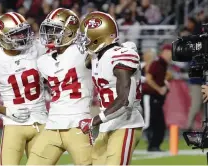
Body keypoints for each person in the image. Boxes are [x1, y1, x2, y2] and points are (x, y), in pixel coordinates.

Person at [26, 8, 93, 165]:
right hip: (53, 124)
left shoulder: (83, 52)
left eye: (55, 30)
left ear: (70, 31)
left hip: (78, 124)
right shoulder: (44, 61)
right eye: (49, 30)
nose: (50, 34)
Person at [0, 12, 47, 165]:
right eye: (17, 34)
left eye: (24, 31)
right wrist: (6, 111)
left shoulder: (36, 48)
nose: (24, 37)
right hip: (14, 124)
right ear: (3, 37)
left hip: (41, 120)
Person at [77, 11, 144, 165]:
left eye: (87, 38)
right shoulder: (96, 57)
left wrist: (94, 120)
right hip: (108, 123)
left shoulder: (120, 57)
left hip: (126, 123)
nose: (84, 42)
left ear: (98, 38)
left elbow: (124, 101)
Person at [142, 44, 172, 151]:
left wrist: (164, 85)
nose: (171, 56)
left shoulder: (162, 64)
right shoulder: (157, 63)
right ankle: (150, 142)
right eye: (170, 53)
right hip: (150, 96)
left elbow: (167, 76)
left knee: (159, 123)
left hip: (156, 97)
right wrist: (160, 89)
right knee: (150, 122)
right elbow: (148, 78)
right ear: (165, 52)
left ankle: (154, 145)